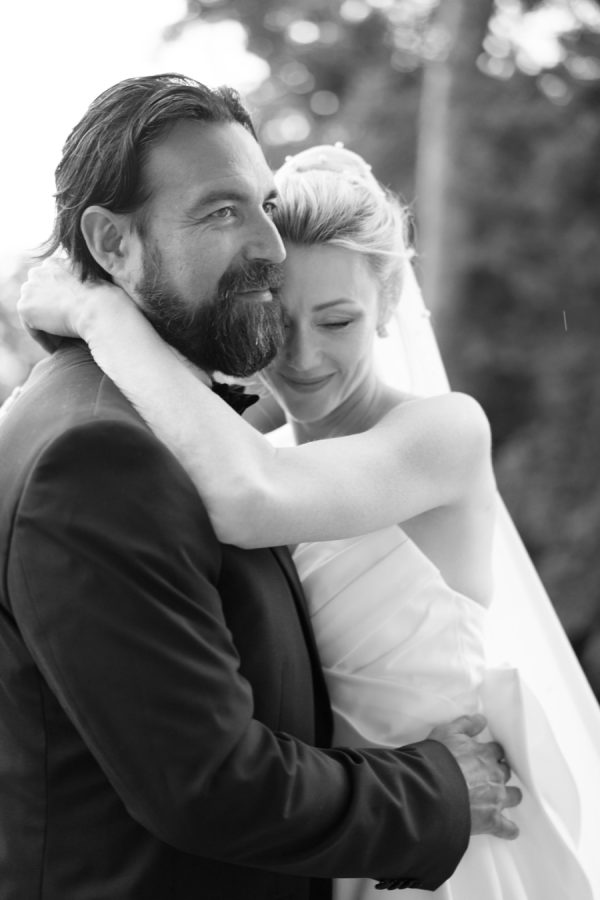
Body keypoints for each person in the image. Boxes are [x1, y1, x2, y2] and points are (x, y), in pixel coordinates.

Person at [18, 141, 597, 899]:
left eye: (337, 320)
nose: (302, 357)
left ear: (388, 304)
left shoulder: (444, 433)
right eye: (276, 317)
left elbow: (250, 498)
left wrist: (99, 312)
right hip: (330, 837)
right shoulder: (248, 448)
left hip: (449, 833)